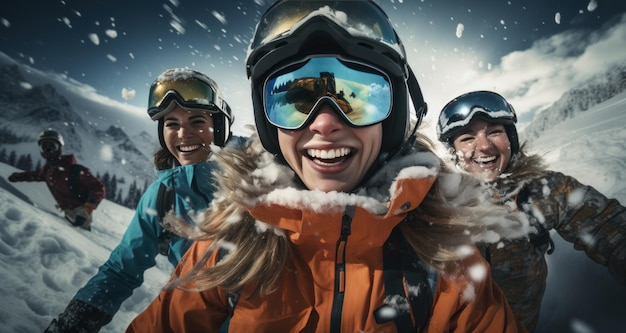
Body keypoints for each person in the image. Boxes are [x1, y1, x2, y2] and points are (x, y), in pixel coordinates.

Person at [127, 1, 530, 332]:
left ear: (392, 121)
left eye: (357, 95)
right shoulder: (233, 239)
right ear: (268, 126)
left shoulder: (444, 259)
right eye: (293, 99)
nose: (323, 122)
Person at [43, 68, 236, 332]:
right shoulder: (162, 198)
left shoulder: (261, 179)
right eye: (172, 124)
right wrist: (71, 324)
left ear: (221, 127)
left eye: (197, 121)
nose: (183, 134)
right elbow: (121, 270)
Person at [436, 90, 626, 331]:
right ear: (453, 152)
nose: (484, 146)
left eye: (495, 132)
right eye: (467, 138)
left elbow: (608, 227)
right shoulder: (434, 208)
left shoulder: (542, 190)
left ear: (511, 139)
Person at [8, 129, 105, 231]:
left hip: (81, 213)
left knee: (78, 240)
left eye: (52, 146)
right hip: (67, 212)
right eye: (44, 147)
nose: (48, 150)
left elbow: (98, 187)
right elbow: (35, 175)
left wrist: (87, 209)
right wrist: (18, 176)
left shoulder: (75, 170)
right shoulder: (48, 170)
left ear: (60, 147)